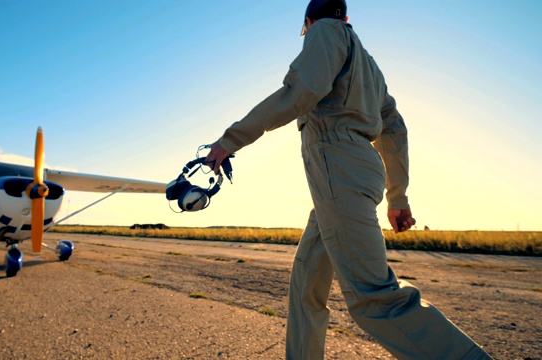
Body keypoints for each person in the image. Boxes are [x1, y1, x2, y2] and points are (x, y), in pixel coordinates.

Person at [204, 0, 492, 359]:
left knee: (375, 296)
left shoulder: (324, 32)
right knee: (306, 285)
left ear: (308, 22)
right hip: (358, 173)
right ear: (348, 17)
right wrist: (397, 196)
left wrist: (230, 140)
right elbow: (395, 127)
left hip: (337, 169)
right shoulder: (369, 65)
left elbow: (301, 92)